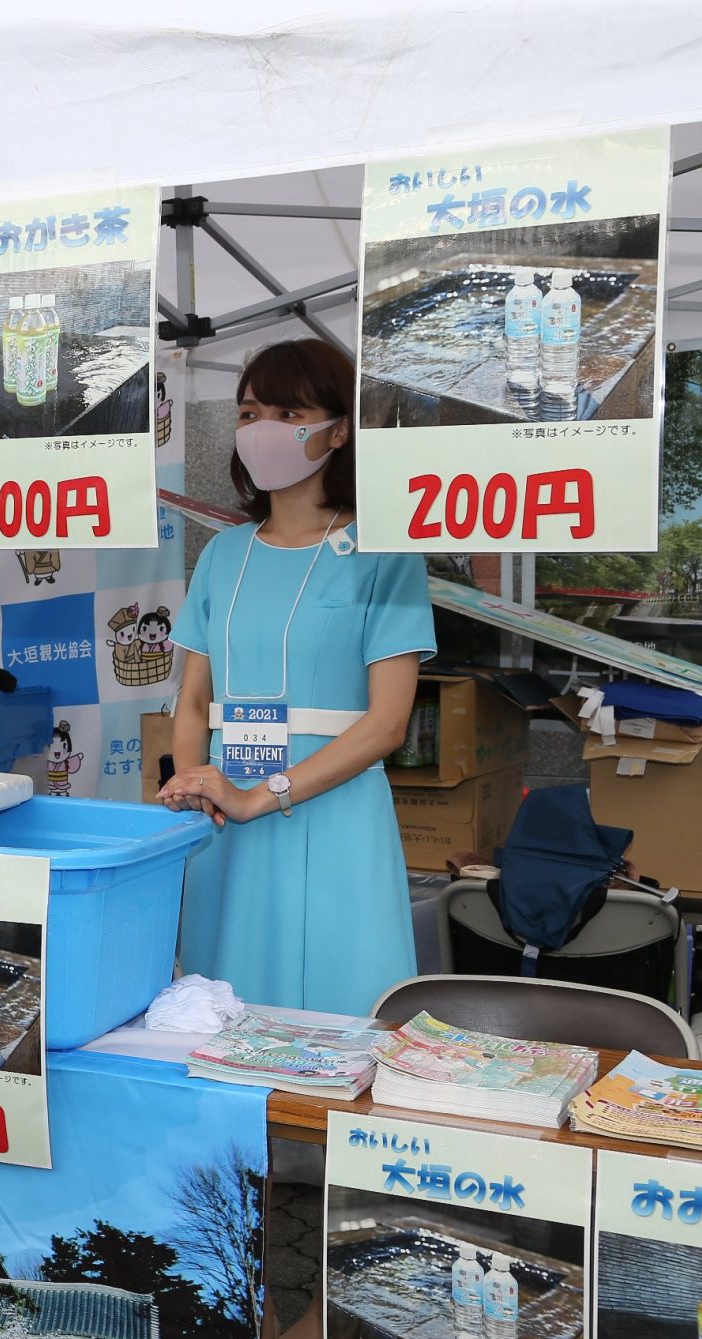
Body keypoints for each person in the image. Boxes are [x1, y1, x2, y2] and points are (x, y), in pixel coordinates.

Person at [159, 339, 434, 1016]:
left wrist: (265, 794)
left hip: (334, 812)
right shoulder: (222, 554)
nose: (263, 428)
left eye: (289, 412)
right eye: (250, 412)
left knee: (338, 1016)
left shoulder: (384, 551)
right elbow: (194, 699)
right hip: (226, 821)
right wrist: (197, 786)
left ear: (339, 430)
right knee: (220, 1014)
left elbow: (387, 723)